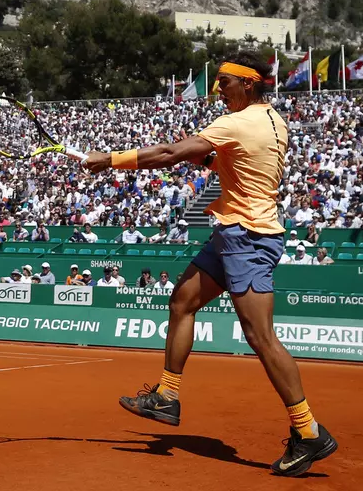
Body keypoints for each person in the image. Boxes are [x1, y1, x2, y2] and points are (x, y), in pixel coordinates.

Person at [84, 53, 337, 476]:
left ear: (249, 85)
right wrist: (199, 158)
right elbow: (225, 160)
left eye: (224, 82)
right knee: (181, 301)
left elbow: (168, 153)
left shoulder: (236, 123)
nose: (218, 89)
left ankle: (308, 430)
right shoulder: (274, 121)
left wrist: (110, 159)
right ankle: (166, 396)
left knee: (262, 338)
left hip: (248, 238)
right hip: (231, 235)